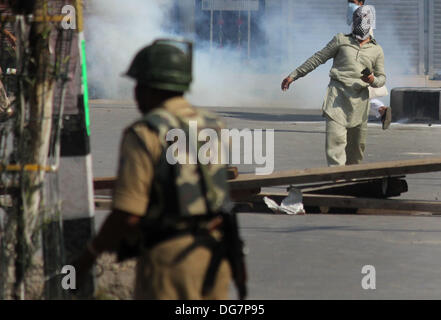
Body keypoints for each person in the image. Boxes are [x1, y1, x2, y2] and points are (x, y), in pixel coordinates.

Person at [73, 38, 247, 300]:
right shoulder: (213, 124)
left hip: (170, 262)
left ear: (148, 88)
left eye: (138, 85)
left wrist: (87, 258)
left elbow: (128, 214)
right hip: (215, 256)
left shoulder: (145, 132)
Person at [281, 6, 386, 166]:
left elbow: (382, 78)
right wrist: (294, 75)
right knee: (335, 144)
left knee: (356, 151)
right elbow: (317, 58)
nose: (361, 22)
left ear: (372, 23)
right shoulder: (340, 40)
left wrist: (372, 80)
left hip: (359, 103)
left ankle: (352, 181)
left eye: (365, 18)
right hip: (337, 99)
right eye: (358, 18)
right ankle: (336, 178)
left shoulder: (376, 50)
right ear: (353, 20)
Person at [347, 0, 391, 130]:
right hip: (359, 58)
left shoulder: (364, 19)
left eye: (353, 2)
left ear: (361, 3)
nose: (350, 4)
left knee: (354, 90)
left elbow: (364, 40)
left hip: (360, 59)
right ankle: (382, 110)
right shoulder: (358, 18)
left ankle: (351, 123)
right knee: (361, 92)